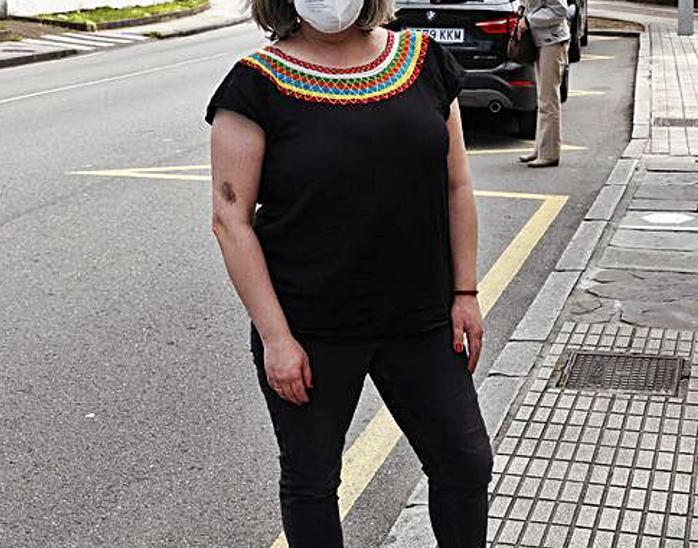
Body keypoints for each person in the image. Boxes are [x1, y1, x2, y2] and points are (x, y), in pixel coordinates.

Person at [205, 0, 491, 544]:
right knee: (312, 482)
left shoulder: (424, 62)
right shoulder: (254, 86)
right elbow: (230, 221)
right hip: (311, 329)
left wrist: (465, 291)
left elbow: (457, 185)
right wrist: (276, 338)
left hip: (423, 319)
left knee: (465, 463)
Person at [517, 0, 570, 168]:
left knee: (548, 99)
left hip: (552, 42)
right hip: (541, 41)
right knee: (542, 99)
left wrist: (529, 20)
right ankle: (540, 149)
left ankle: (549, 154)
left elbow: (560, 11)